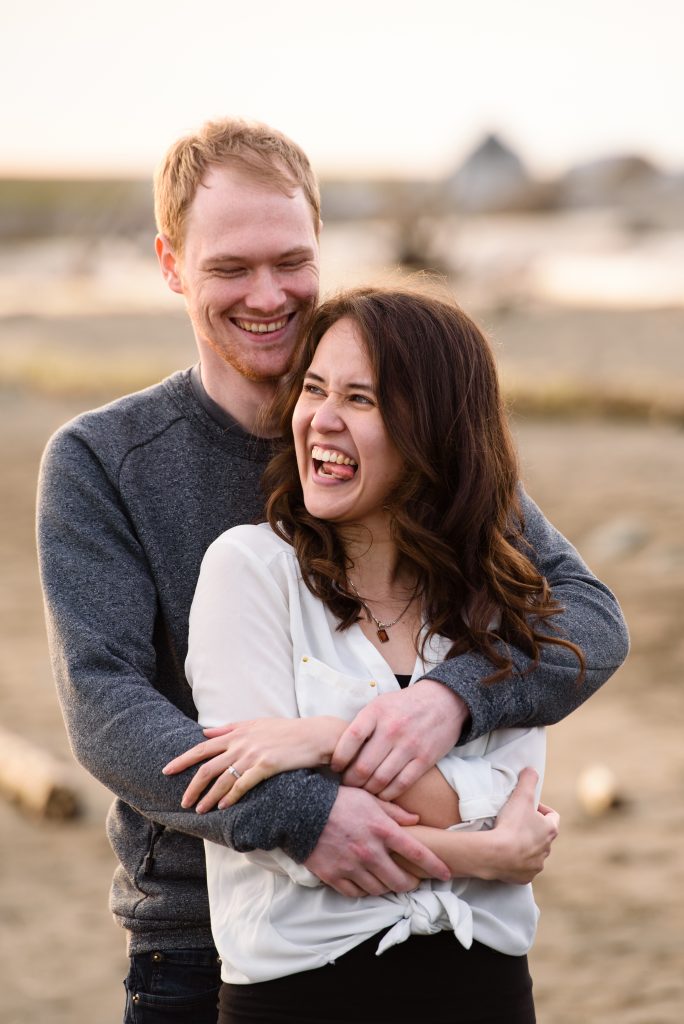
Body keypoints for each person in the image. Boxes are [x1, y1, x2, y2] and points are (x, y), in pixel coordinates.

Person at [36, 118, 629, 1024]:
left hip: (442, 932)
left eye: (291, 260)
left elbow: (587, 617)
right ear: (169, 265)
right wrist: (304, 816)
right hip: (205, 941)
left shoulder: (414, 442)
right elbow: (106, 706)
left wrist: (451, 700)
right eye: (230, 268)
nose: (269, 295)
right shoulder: (103, 460)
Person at [169, 286, 581, 1023]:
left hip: (483, 989)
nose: (320, 419)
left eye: (360, 399)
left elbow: (502, 805)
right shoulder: (251, 570)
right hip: (300, 993)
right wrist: (478, 858)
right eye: (315, 389)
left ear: (434, 432)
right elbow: (257, 811)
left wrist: (324, 741)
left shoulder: (497, 595)